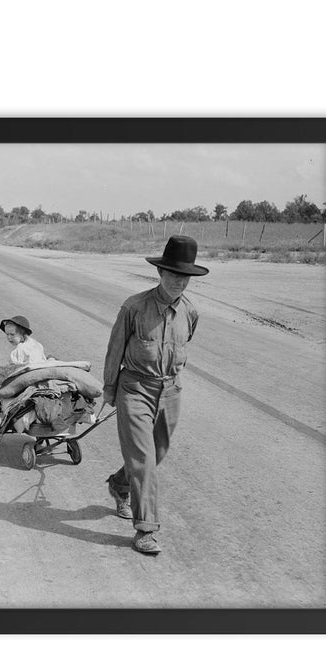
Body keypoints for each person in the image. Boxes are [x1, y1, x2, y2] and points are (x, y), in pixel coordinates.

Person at [102, 236, 209, 556]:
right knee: (145, 459)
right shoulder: (133, 307)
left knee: (155, 454)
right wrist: (109, 388)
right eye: (173, 274)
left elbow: (184, 343)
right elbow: (114, 350)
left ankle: (120, 485)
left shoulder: (191, 312)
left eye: (185, 276)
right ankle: (145, 530)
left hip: (171, 391)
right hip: (134, 389)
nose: (179, 281)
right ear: (160, 273)